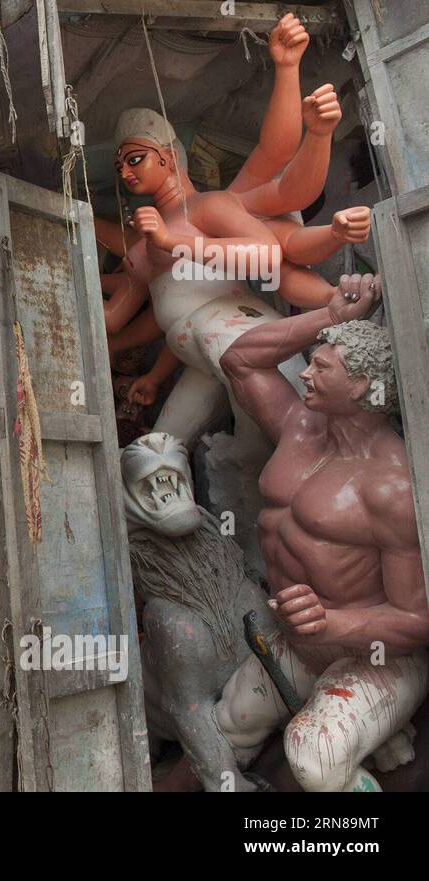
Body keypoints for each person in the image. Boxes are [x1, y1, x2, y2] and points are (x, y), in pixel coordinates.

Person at [214, 274, 429, 791]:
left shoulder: (391, 485)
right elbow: (239, 360)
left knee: (314, 757)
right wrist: (333, 316)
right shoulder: (299, 428)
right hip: (299, 640)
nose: (305, 373)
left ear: (360, 384)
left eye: (321, 365)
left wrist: (332, 624)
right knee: (230, 723)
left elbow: (416, 620)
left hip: (374, 655)